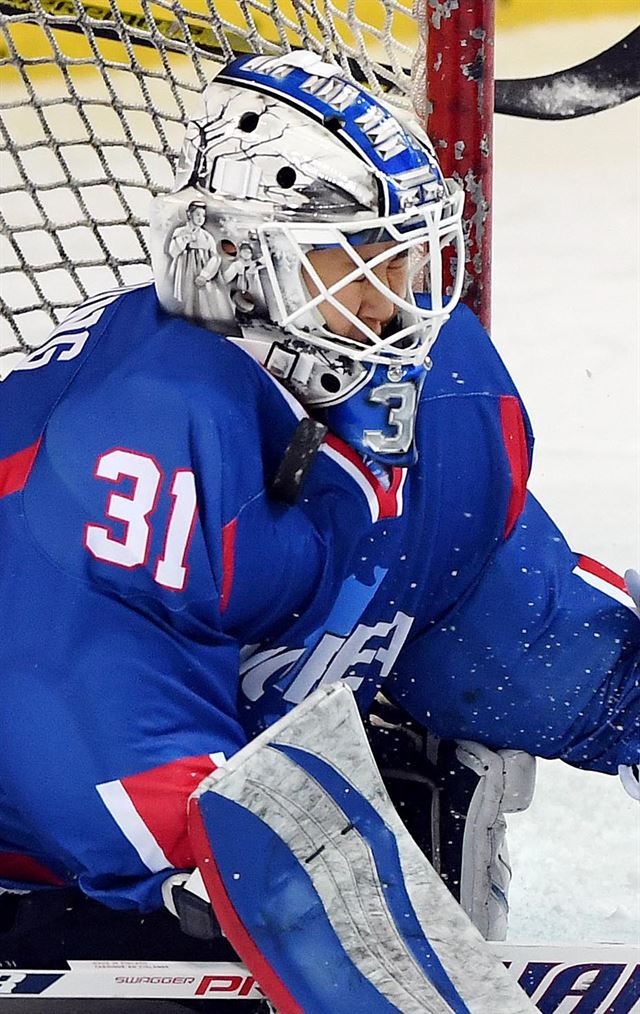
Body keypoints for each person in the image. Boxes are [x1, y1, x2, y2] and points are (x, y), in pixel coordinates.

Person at [0, 48, 637, 994]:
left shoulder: (444, 394)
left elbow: (509, 641)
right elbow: (88, 738)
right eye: (356, 257)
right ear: (231, 261)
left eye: (409, 254)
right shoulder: (141, 440)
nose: (402, 298)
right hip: (50, 873)